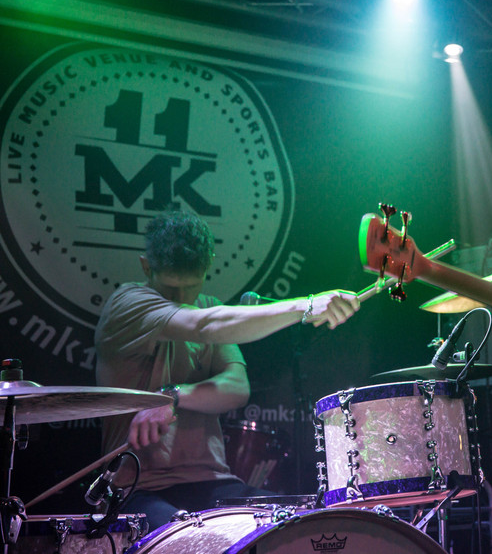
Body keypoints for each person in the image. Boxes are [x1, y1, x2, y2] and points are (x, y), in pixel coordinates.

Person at [95, 210, 360, 530]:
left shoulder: (208, 305)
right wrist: (305, 306)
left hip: (211, 481)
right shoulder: (128, 303)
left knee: (295, 526)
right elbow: (203, 326)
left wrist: (174, 396)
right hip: (136, 488)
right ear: (146, 267)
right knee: (182, 538)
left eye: (190, 287)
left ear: (208, 267)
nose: (181, 299)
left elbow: (236, 387)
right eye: (170, 289)